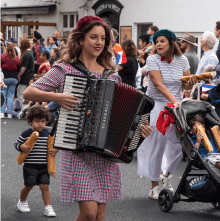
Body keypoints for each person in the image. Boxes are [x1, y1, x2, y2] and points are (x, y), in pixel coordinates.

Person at [23, 15, 152, 221]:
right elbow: (29, 92)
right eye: (93, 37)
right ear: (81, 40)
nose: (99, 42)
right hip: (77, 151)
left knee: (99, 215)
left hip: (106, 155)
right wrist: (57, 97)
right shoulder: (65, 69)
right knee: (89, 214)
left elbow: (124, 118)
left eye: (103, 38)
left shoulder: (111, 76)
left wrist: (139, 130)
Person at [137, 29, 196, 200]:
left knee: (178, 146)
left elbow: (185, 87)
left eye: (162, 41)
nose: (158, 44)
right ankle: (154, 185)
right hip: (157, 106)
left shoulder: (183, 60)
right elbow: (158, 84)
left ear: (171, 42)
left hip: (175, 107)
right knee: (158, 146)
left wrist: (190, 84)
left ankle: (166, 174)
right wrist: (175, 102)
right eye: (156, 42)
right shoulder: (152, 59)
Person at [14, 106, 58, 216]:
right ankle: (22, 202)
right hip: (30, 165)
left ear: (46, 121)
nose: (40, 124)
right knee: (29, 185)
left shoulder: (48, 134)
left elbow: (55, 145)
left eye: (43, 121)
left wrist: (56, 149)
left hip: (44, 166)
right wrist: (21, 147)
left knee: (45, 186)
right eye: (37, 121)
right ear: (30, 121)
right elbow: (17, 144)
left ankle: (48, 207)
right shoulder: (26, 133)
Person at [0, 43, 20, 118]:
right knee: (10, 96)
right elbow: (18, 67)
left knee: (3, 95)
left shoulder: (2, 57)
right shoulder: (16, 58)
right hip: (14, 78)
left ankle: (2, 112)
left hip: (4, 77)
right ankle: (9, 113)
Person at [17, 38, 35, 108]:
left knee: (20, 94)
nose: (20, 45)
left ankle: (25, 110)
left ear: (23, 44)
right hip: (29, 76)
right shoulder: (30, 53)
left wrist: (19, 75)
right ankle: (26, 110)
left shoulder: (26, 54)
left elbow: (23, 68)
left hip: (25, 77)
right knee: (26, 96)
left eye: (21, 44)